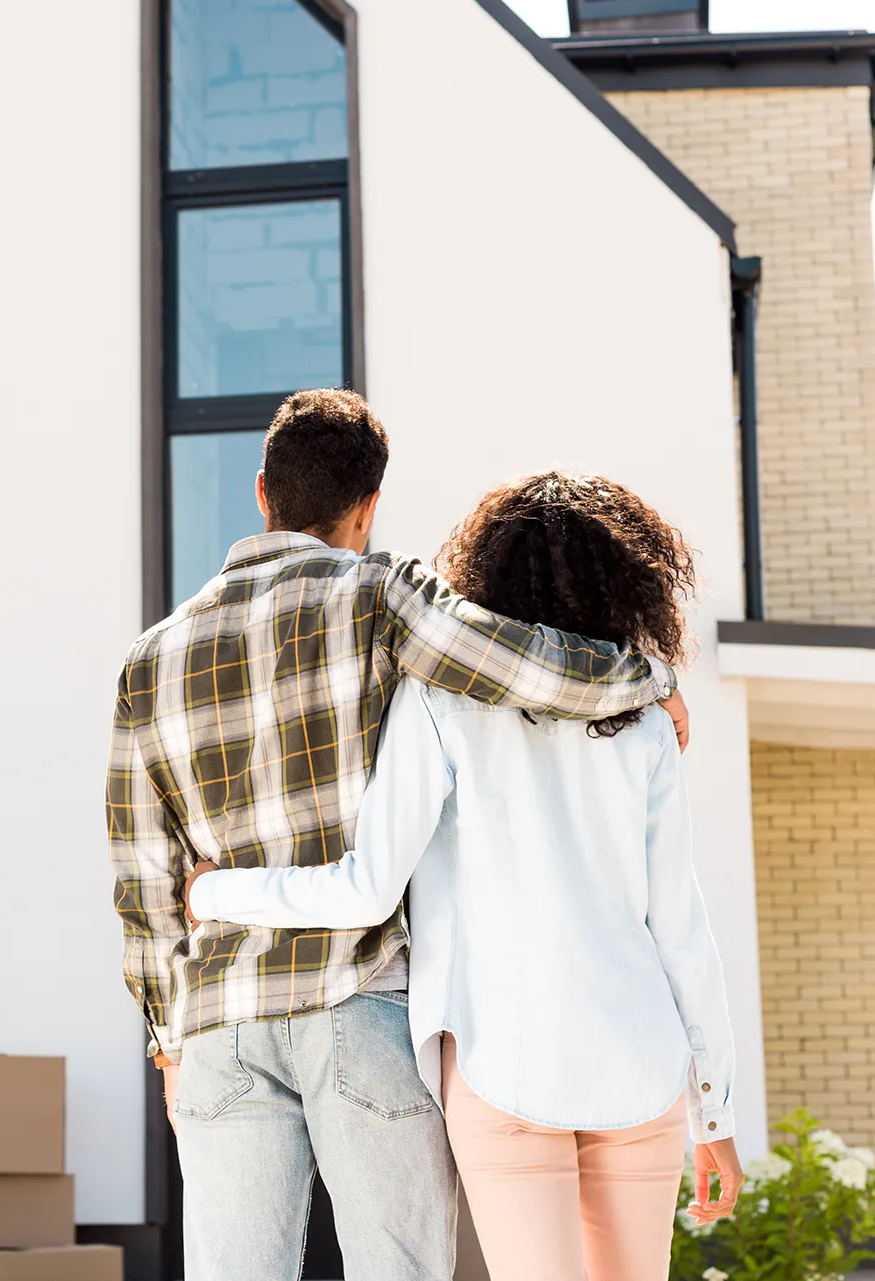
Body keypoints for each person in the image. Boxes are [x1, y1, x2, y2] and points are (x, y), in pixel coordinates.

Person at [107, 392, 688, 1281]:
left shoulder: (150, 657)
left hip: (219, 1016)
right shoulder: (381, 592)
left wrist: (166, 1041)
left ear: (262, 490)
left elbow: (143, 876)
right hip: (360, 997)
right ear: (369, 505)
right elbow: (517, 663)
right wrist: (642, 678)